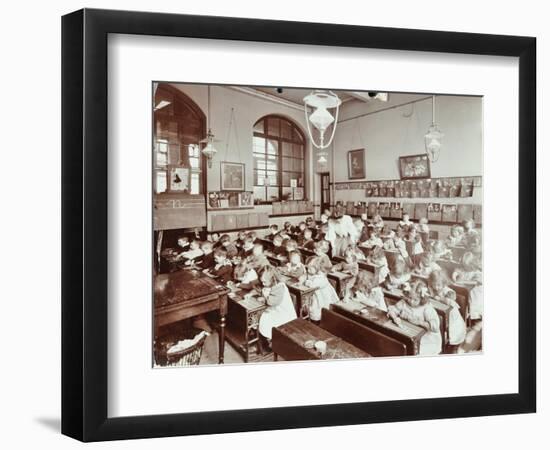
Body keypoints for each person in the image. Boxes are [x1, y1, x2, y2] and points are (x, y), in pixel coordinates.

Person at [388, 279, 442, 355]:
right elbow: (392, 310)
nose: (411, 301)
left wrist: (419, 322)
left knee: (417, 353)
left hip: (427, 339)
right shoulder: (404, 303)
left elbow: (435, 326)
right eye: (409, 297)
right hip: (410, 334)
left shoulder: (426, 308)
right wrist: (395, 317)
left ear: (422, 299)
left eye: (415, 300)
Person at [258, 266, 297, 350]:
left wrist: (264, 299)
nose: (263, 284)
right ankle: (269, 338)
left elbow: (271, 302)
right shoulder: (272, 285)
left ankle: (272, 340)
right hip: (275, 309)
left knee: (264, 319)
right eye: (262, 282)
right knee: (262, 317)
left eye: (264, 282)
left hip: (283, 313)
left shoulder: (279, 287)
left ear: (273, 279)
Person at [428, 270, 466, 352]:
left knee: (451, 328)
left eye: (438, 285)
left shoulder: (446, 290)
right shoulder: (432, 288)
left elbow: (452, 297)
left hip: (451, 314)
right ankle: (441, 339)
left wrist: (441, 298)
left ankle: (452, 343)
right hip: (439, 312)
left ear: (443, 284)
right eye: (434, 285)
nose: (436, 287)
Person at [304, 257, 339, 322]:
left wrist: (306, 281)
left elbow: (312, 285)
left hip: (322, 297)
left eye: (310, 268)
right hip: (319, 294)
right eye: (308, 268)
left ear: (317, 269)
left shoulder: (320, 278)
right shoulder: (317, 275)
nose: (308, 270)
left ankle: (318, 321)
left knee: (318, 309)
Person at [452, 252, 483, 321]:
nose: (464, 268)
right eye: (463, 266)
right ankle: (462, 310)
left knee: (473, 295)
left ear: (472, 265)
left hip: (475, 288)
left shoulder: (476, 272)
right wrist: (454, 275)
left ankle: (473, 314)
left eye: (466, 266)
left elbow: (476, 282)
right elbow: (456, 271)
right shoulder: (462, 269)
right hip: (464, 287)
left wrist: (463, 282)